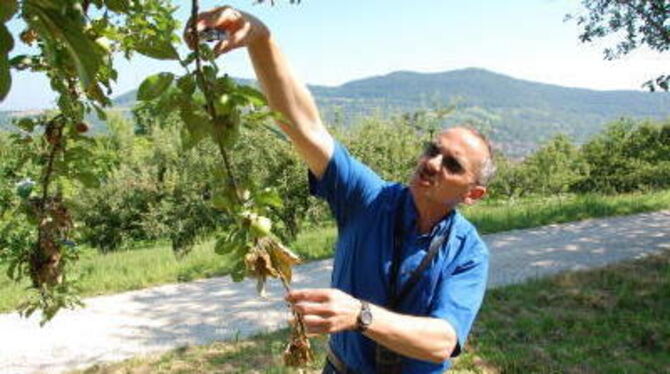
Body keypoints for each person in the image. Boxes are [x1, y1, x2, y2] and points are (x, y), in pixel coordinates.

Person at [187, 6, 495, 373]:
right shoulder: (369, 198)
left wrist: (360, 315)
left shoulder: (469, 251)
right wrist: (261, 38)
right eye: (433, 149)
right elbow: (305, 127)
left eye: (452, 165)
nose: (431, 163)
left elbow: (443, 341)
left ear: (472, 194)